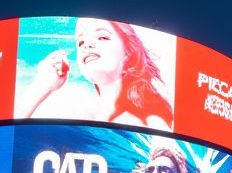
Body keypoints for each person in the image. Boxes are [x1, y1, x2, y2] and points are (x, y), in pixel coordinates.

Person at [18, 17, 174, 128]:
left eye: (102, 37)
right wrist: (41, 86)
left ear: (128, 52)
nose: (87, 45)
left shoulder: (152, 121)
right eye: (81, 41)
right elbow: (8, 139)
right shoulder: (77, 113)